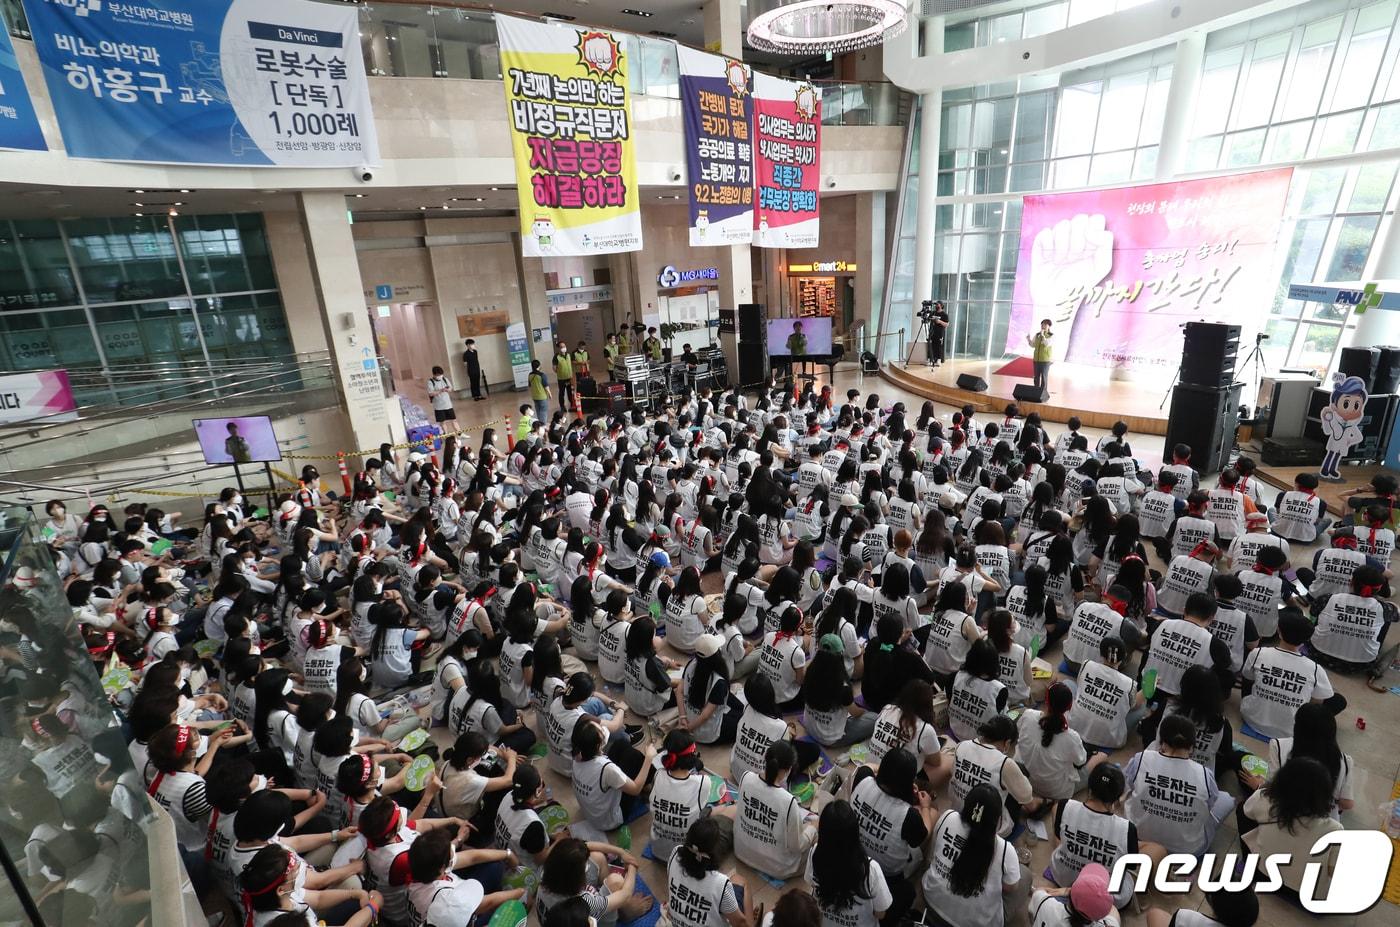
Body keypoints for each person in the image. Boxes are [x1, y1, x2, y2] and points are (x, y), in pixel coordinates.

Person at [1124, 714, 1233, 855]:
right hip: (1187, 849)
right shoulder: (1205, 774)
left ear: (1161, 741)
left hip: (1138, 836)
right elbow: (1210, 804)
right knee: (1227, 799)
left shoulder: (1142, 759)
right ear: (1192, 746)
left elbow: (1128, 785)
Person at [1241, 757, 1343, 898]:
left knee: (1242, 809)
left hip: (1263, 874)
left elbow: (1247, 811)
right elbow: (1333, 872)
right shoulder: (1335, 829)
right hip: (1307, 896)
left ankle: (1248, 861)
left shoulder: (1263, 799)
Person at [921, 784, 1021, 927]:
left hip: (931, 902)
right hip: (974, 923)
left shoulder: (948, 816)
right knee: (1025, 876)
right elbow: (1009, 888)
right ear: (998, 819)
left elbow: (933, 852)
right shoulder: (1005, 850)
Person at [734, 741, 814, 880]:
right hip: (778, 868)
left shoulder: (746, 777)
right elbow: (797, 846)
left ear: (765, 757)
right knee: (814, 832)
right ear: (788, 769)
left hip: (742, 851)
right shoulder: (788, 802)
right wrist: (813, 827)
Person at [807, 799, 893, 927]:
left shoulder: (815, 853)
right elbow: (880, 914)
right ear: (855, 832)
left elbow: (812, 886)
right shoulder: (870, 869)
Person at [665, 817, 752, 927]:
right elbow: (740, 923)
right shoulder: (720, 883)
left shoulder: (675, 854)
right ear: (714, 850)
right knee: (739, 881)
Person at [1027, 862, 1119, 927]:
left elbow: (1038, 892)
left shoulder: (1045, 903)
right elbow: (1113, 911)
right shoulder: (1106, 923)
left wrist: (1067, 891)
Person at [1027, 318, 1053, 393]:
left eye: (1045, 324)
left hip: (1045, 360)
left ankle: (1043, 393)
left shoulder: (1051, 335)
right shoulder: (1037, 334)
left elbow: (1047, 344)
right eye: (1042, 324)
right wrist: (1028, 339)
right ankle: (1035, 392)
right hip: (1036, 360)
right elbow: (1033, 345)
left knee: (1044, 378)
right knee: (1036, 377)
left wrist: (1043, 336)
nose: (1043, 326)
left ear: (1049, 326)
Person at [554, 342, 575, 414]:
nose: (564, 348)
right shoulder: (556, 357)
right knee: (562, 393)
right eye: (562, 347)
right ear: (559, 348)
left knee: (570, 392)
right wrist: (560, 371)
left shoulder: (568, 355)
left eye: (564, 346)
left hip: (569, 377)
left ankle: (572, 405)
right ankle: (562, 407)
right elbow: (554, 368)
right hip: (562, 379)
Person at [528, 360, 551, 425]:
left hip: (534, 396)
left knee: (538, 410)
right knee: (543, 411)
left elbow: (530, 385)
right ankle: (542, 425)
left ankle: (539, 424)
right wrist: (549, 393)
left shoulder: (530, 375)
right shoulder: (542, 375)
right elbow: (546, 386)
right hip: (542, 396)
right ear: (539, 366)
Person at [928, 300, 949, 366]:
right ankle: (931, 359)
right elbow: (928, 319)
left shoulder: (944, 315)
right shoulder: (933, 313)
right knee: (932, 345)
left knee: (939, 346)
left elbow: (947, 324)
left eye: (938, 304)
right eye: (936, 304)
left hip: (940, 332)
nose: (936, 306)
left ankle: (939, 360)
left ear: (941, 305)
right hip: (932, 331)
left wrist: (939, 321)